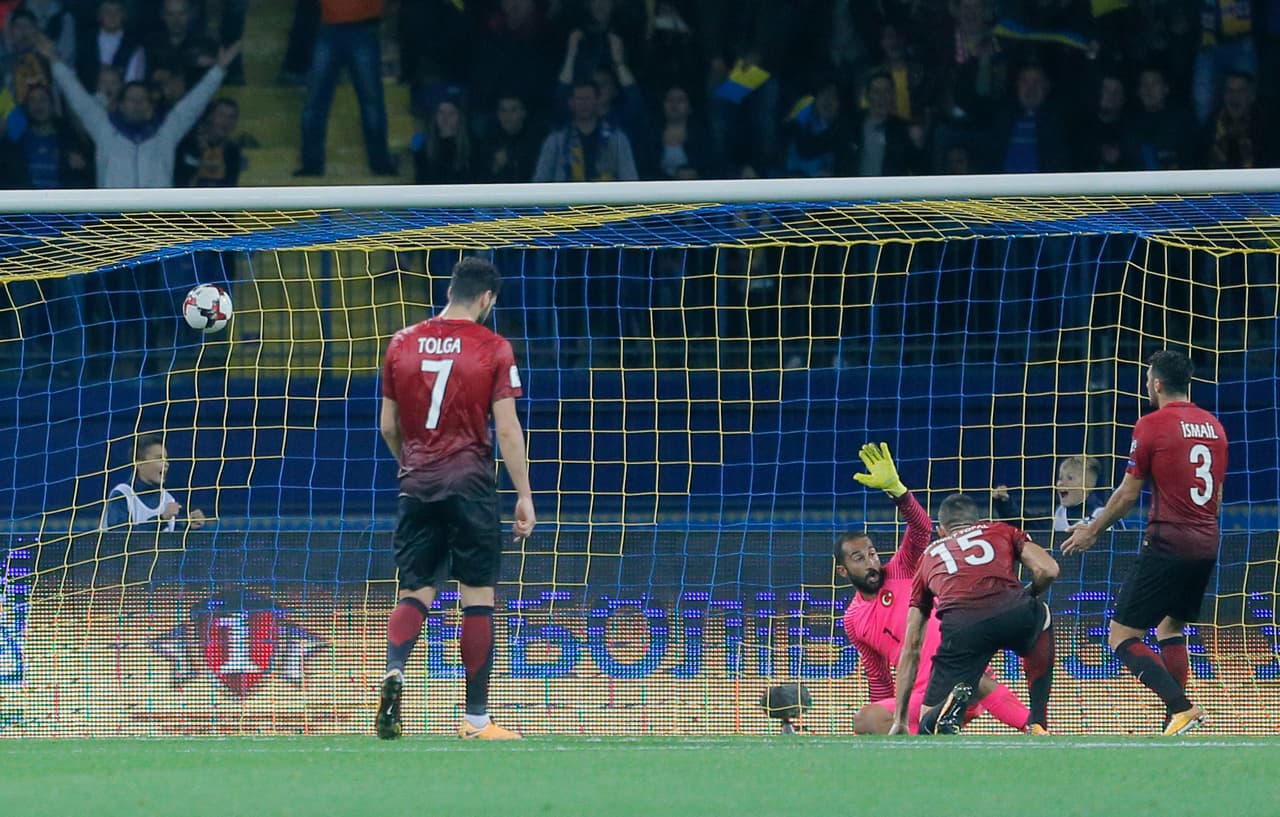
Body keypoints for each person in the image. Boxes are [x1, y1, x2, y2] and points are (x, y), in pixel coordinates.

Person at [375, 257, 535, 741]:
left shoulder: (401, 342)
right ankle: (476, 720)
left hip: (417, 482)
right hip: (470, 483)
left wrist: (415, 463)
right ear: (487, 298)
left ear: (450, 290)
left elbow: (387, 425)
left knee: (417, 589)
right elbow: (506, 428)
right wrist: (524, 494)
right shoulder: (493, 347)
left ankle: (395, 670)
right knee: (477, 596)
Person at [1062, 350, 1228, 736]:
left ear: (1156, 384)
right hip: (1207, 540)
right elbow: (1216, 495)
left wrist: (1091, 529)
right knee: (1171, 627)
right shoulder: (1215, 427)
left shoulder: (1152, 424)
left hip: (1169, 541)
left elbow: (1126, 494)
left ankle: (1181, 707)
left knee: (1121, 635)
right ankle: (1175, 717)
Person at [838, 443, 1034, 735]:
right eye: (859, 558)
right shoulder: (853, 620)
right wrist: (889, 717)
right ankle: (935, 729)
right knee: (865, 720)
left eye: (873, 553)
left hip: (958, 673)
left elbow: (919, 528)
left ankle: (1037, 728)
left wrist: (898, 491)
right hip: (921, 699)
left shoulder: (903, 568)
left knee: (973, 679)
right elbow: (878, 676)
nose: (871, 562)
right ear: (843, 572)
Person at [891, 493, 1058, 736]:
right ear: (979, 521)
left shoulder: (928, 558)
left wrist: (901, 719)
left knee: (928, 723)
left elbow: (912, 644)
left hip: (962, 627)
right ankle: (1038, 721)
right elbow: (1049, 569)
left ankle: (942, 713)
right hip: (1013, 610)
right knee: (1043, 617)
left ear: (941, 531)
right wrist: (1028, 594)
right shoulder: (1001, 530)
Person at [41, 33, 238, 187]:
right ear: (121, 104)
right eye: (131, 99)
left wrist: (218, 70)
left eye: (142, 99)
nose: (137, 103)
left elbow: (193, 104)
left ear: (151, 105)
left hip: (156, 221)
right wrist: (55, 62)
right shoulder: (104, 128)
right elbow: (78, 99)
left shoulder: (167, 130)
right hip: (113, 221)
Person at [101, 433, 206, 531]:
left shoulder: (168, 499)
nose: (166, 464)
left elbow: (175, 542)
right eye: (159, 458)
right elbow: (118, 539)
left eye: (166, 459)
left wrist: (190, 527)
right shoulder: (122, 495)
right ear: (139, 463)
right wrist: (161, 520)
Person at [991, 455, 1121, 532]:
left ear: (1088, 486)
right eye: (1060, 478)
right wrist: (1005, 503)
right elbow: (1024, 523)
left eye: (1070, 478)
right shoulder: (1055, 516)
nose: (1060, 483)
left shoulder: (1106, 516)